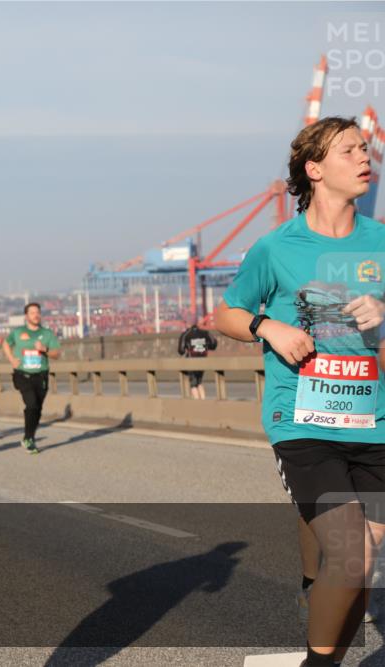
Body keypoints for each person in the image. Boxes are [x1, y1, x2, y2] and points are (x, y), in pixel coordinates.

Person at [215, 116, 384, 667]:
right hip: (303, 420)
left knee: (361, 562)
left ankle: (325, 634)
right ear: (314, 169)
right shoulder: (276, 247)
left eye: (365, 149)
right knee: (353, 556)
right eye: (348, 150)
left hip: (373, 421)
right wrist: (269, 327)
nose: (364, 158)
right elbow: (227, 313)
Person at [2, 303, 61, 453]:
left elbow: (56, 354)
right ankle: (29, 438)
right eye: (32, 312)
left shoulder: (47, 334)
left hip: (41, 376)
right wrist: (11, 360)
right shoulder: (18, 332)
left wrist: (44, 349)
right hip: (22, 374)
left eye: (38, 312)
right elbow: (5, 344)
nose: (36, 315)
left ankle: (29, 436)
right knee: (32, 404)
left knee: (37, 409)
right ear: (26, 316)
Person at [177, 322, 218, 399]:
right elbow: (213, 344)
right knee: (199, 382)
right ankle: (203, 401)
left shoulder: (186, 334)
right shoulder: (205, 333)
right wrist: (204, 346)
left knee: (193, 384)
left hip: (191, 361)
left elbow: (181, 350)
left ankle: (198, 404)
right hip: (203, 360)